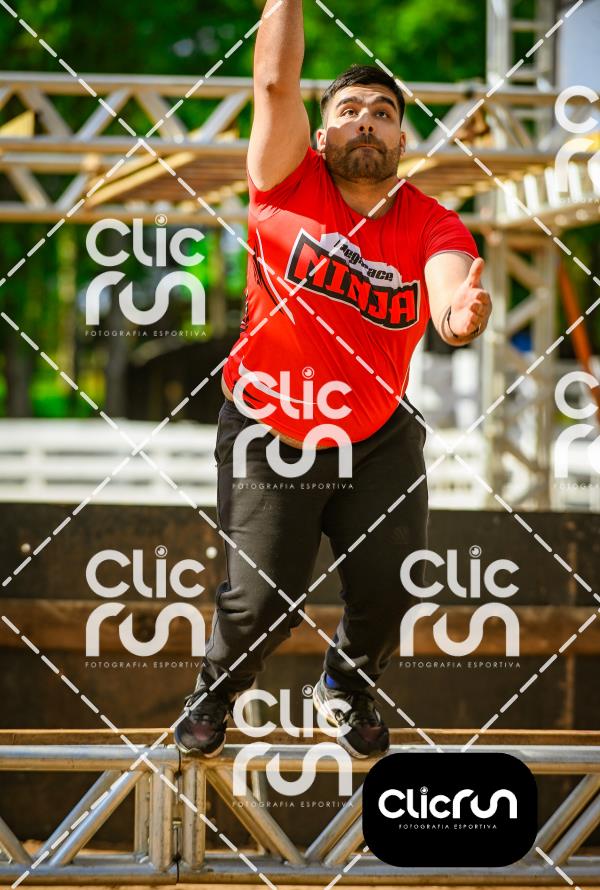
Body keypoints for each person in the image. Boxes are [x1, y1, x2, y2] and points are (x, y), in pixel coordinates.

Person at [174, 0, 492, 760]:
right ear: (320, 137)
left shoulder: (430, 221)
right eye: (349, 112)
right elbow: (274, 83)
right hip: (270, 427)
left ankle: (346, 687)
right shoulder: (285, 182)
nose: (367, 123)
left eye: (383, 113)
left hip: (375, 434)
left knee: (395, 585)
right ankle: (214, 692)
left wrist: (459, 316)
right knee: (261, 599)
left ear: (402, 140)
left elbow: (450, 289)